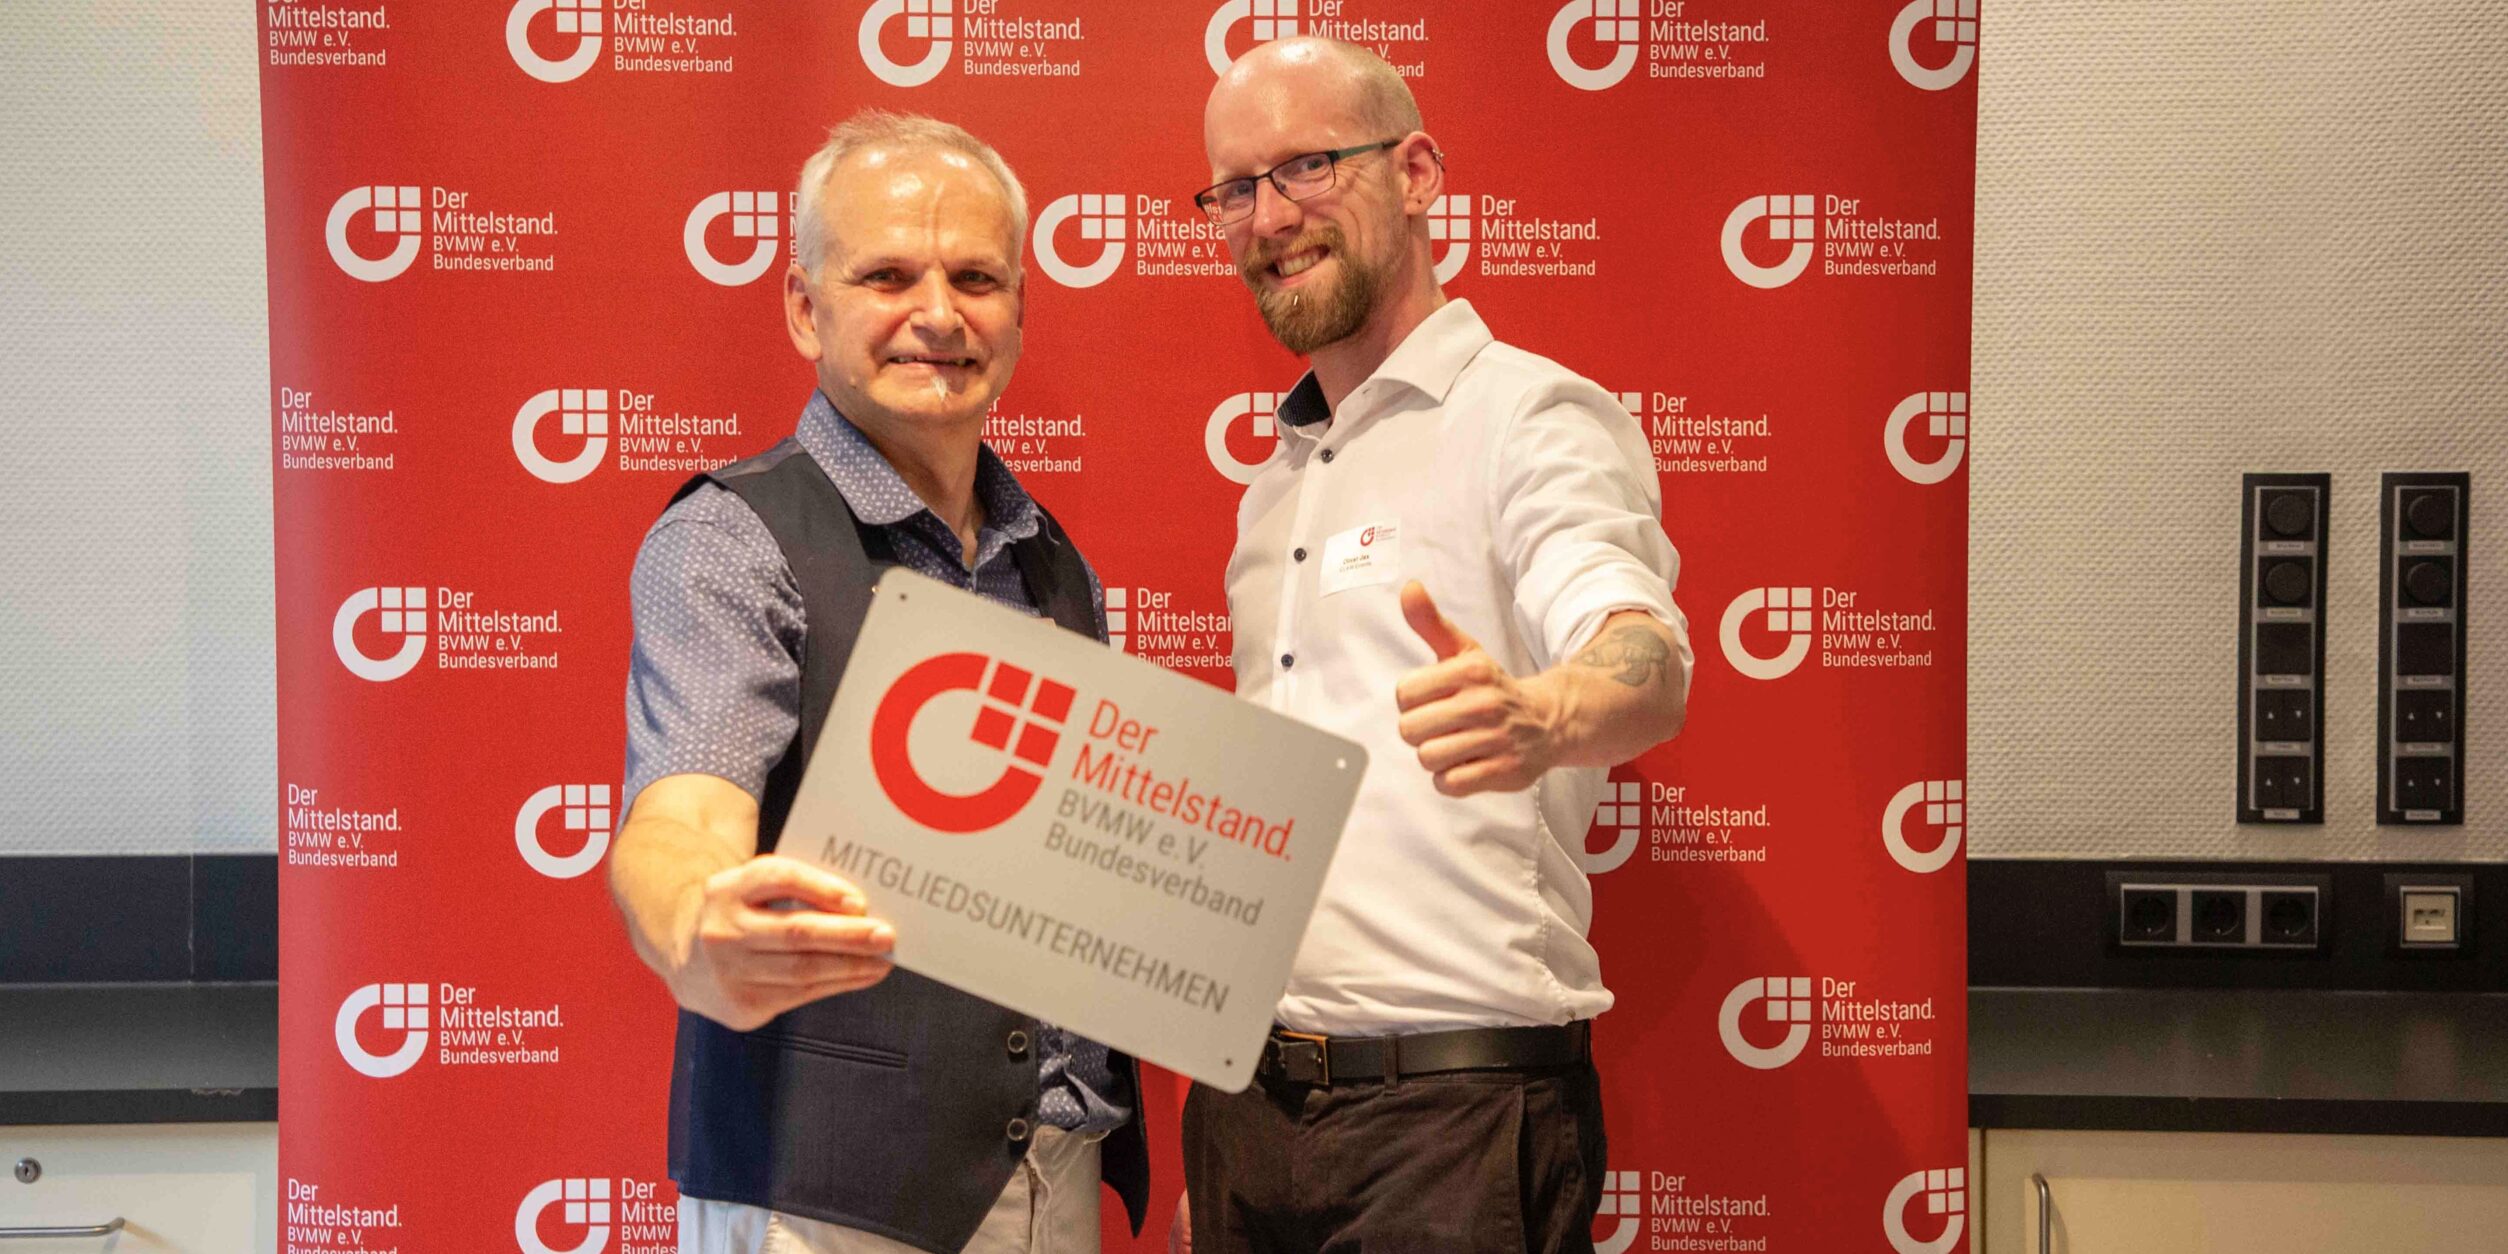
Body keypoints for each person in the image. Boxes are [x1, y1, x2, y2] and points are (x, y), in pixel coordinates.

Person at [1174, 39, 1692, 1254]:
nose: (1270, 218)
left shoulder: (1530, 418)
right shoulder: (1276, 486)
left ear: (1416, 174)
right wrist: (1226, 1113)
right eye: (1236, 189)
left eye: (1308, 167)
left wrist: (1546, 714)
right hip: (1253, 1113)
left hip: (1455, 1127)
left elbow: (1646, 657)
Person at [607, 110, 1147, 1254]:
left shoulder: (1054, 564)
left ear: (1019, 310)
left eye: (976, 279)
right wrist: (696, 924)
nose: (939, 315)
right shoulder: (732, 539)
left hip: (1062, 1171)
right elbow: (683, 814)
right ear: (806, 307)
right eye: (889, 276)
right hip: (828, 1198)